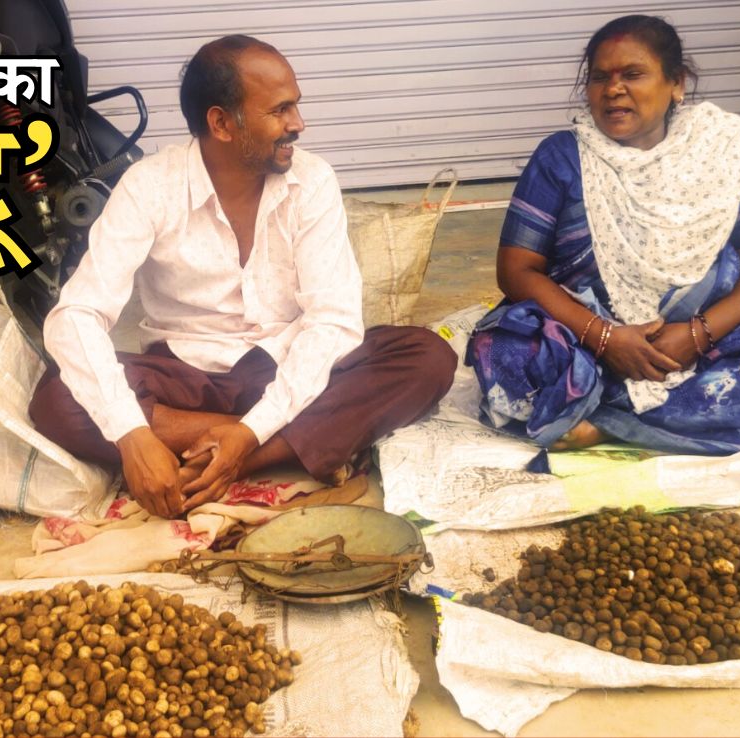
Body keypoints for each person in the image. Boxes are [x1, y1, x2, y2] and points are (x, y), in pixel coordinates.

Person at [30, 35, 456, 519]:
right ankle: (285, 443)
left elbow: (332, 321)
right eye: (279, 111)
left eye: (295, 106)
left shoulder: (312, 181)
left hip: (284, 365)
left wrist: (251, 432)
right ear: (221, 123)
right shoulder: (150, 186)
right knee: (56, 399)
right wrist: (131, 435)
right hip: (186, 376)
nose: (298, 124)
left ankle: (235, 457)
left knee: (427, 356)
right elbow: (76, 315)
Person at [467, 15, 740, 456]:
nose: (613, 89)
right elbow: (517, 270)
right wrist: (604, 337)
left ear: (676, 83)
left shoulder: (724, 153)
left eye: (632, 74)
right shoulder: (562, 157)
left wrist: (696, 336)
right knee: (503, 351)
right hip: (578, 339)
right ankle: (659, 416)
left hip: (694, 344)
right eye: (600, 78)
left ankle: (603, 423)